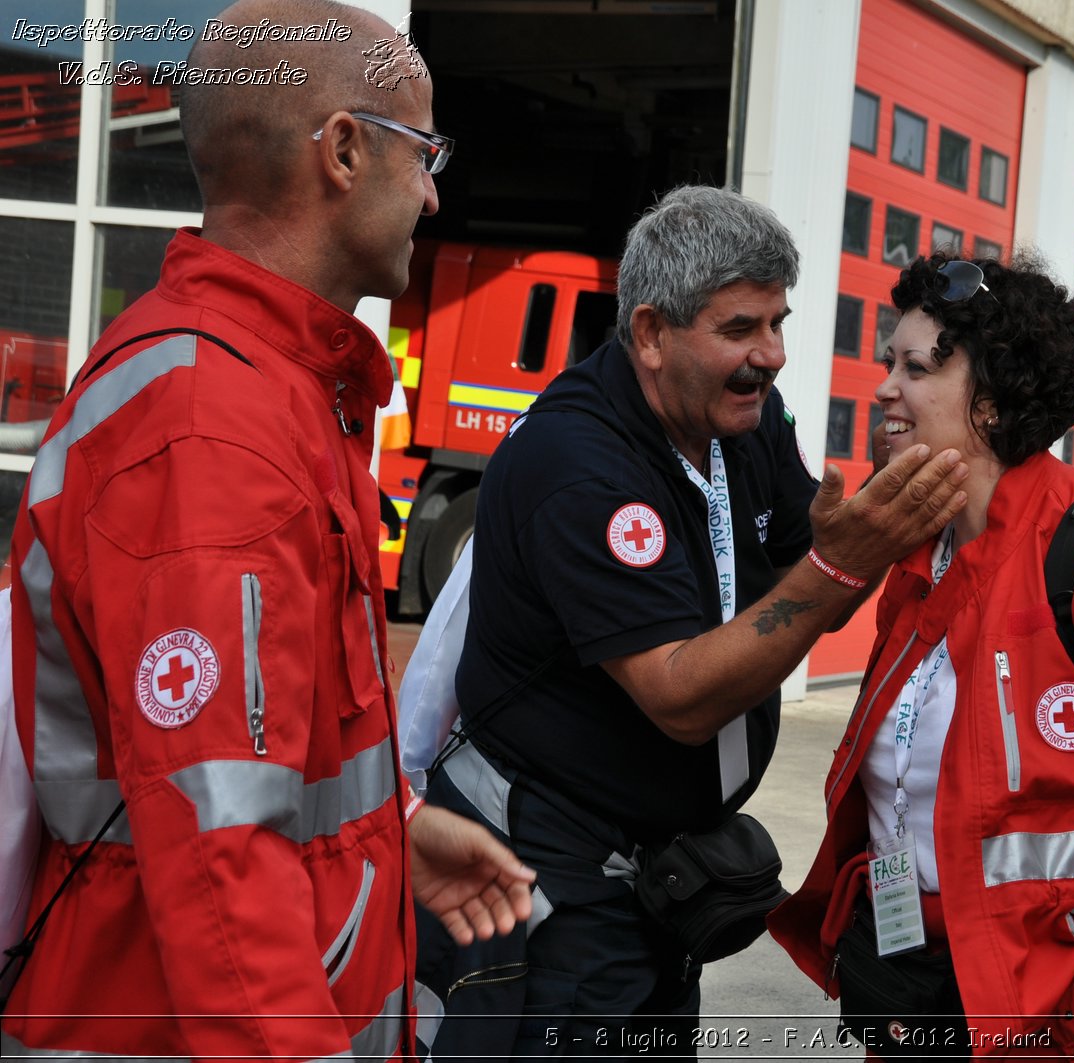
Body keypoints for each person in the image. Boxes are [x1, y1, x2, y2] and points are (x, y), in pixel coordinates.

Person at [0, 1, 534, 1057]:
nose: (434, 192)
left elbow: (250, 760)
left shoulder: (273, 389)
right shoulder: (215, 428)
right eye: (424, 153)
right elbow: (218, 851)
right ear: (342, 150)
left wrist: (393, 825)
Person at [417, 184, 969, 1057]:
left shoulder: (739, 420)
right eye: (742, 328)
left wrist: (881, 528)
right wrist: (843, 565)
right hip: (547, 878)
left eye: (779, 322)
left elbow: (809, 553)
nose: (774, 354)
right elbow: (680, 693)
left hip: (660, 874)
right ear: (649, 334)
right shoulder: (580, 462)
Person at [767, 253, 1074, 1059]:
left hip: (1056, 1027)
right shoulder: (920, 555)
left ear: (993, 403)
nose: (884, 388)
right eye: (888, 361)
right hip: (918, 994)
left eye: (918, 366)